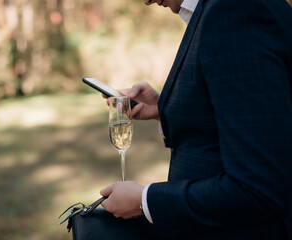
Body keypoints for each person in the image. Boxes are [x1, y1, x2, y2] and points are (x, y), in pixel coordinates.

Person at [100, 0, 292, 239]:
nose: (146, 1)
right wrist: (165, 108)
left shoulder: (235, 9)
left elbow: (259, 188)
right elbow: (252, 116)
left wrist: (145, 200)